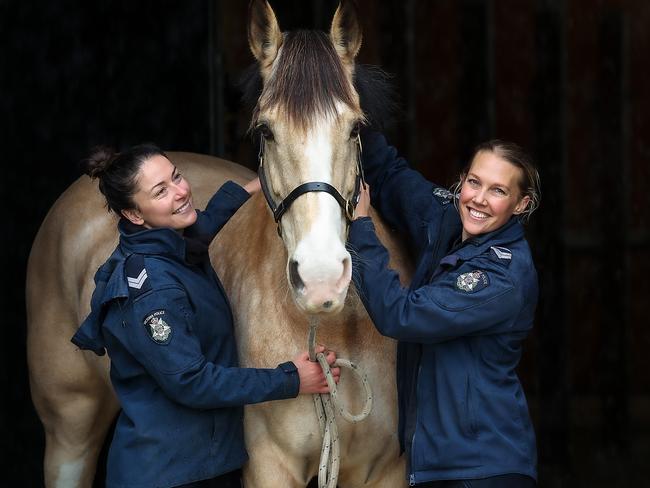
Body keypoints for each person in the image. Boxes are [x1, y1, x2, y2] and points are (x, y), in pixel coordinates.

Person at [71, 143, 340, 488]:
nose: (182, 191)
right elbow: (192, 382)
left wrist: (251, 188)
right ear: (135, 215)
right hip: (170, 475)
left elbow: (201, 228)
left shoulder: (169, 246)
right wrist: (292, 380)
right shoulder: (153, 291)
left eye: (177, 177)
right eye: (161, 191)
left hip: (198, 466)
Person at [348, 130, 540, 487]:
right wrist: (349, 107)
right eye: (474, 182)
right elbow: (390, 174)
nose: (479, 199)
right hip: (439, 468)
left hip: (482, 471)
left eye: (498, 191)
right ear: (461, 182)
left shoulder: (502, 275)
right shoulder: (447, 219)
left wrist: (361, 228)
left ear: (521, 204)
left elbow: (400, 315)